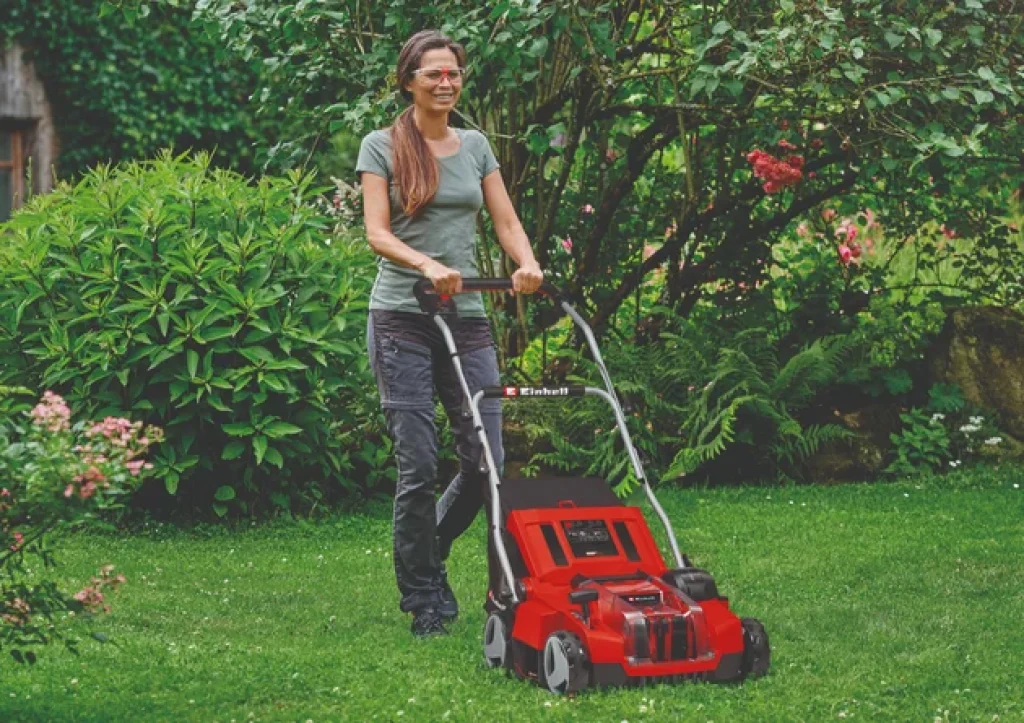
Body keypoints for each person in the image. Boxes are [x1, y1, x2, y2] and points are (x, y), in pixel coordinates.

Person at [357, 29, 544, 637]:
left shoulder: (476, 146)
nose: (446, 83)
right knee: (418, 466)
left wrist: (526, 262)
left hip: (466, 322)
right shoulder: (381, 145)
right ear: (409, 80)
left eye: (454, 74)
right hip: (401, 320)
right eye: (434, 74)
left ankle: (429, 549)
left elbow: (506, 218)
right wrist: (428, 265)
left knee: (486, 463)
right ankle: (426, 599)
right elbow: (378, 233)